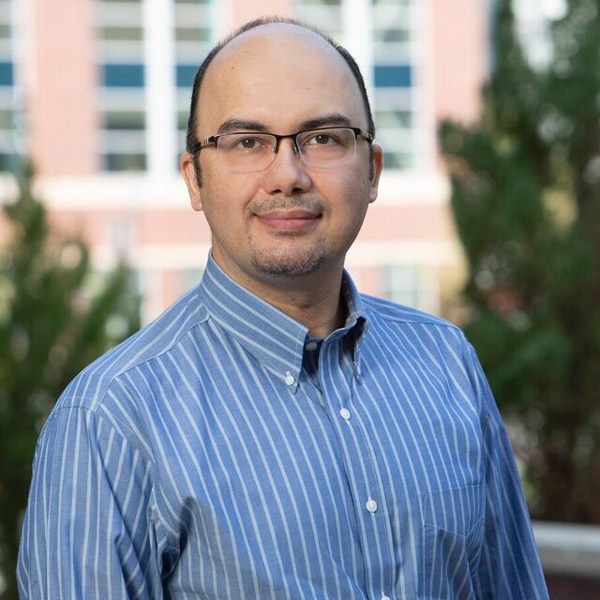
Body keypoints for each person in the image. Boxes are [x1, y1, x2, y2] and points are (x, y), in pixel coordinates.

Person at [17, 17, 549, 600]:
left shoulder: (447, 364)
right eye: (247, 142)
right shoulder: (110, 420)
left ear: (371, 170)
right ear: (194, 178)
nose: (287, 176)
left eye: (322, 137)